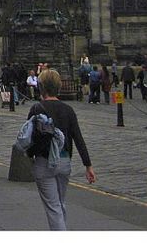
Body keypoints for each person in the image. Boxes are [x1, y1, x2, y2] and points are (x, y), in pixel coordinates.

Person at [27, 69, 97, 230]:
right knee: (59, 204)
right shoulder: (68, 110)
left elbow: (29, 138)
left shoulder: (37, 109)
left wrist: (30, 157)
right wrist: (88, 166)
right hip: (64, 161)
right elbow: (78, 138)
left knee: (53, 208)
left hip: (44, 163)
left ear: (41, 87)